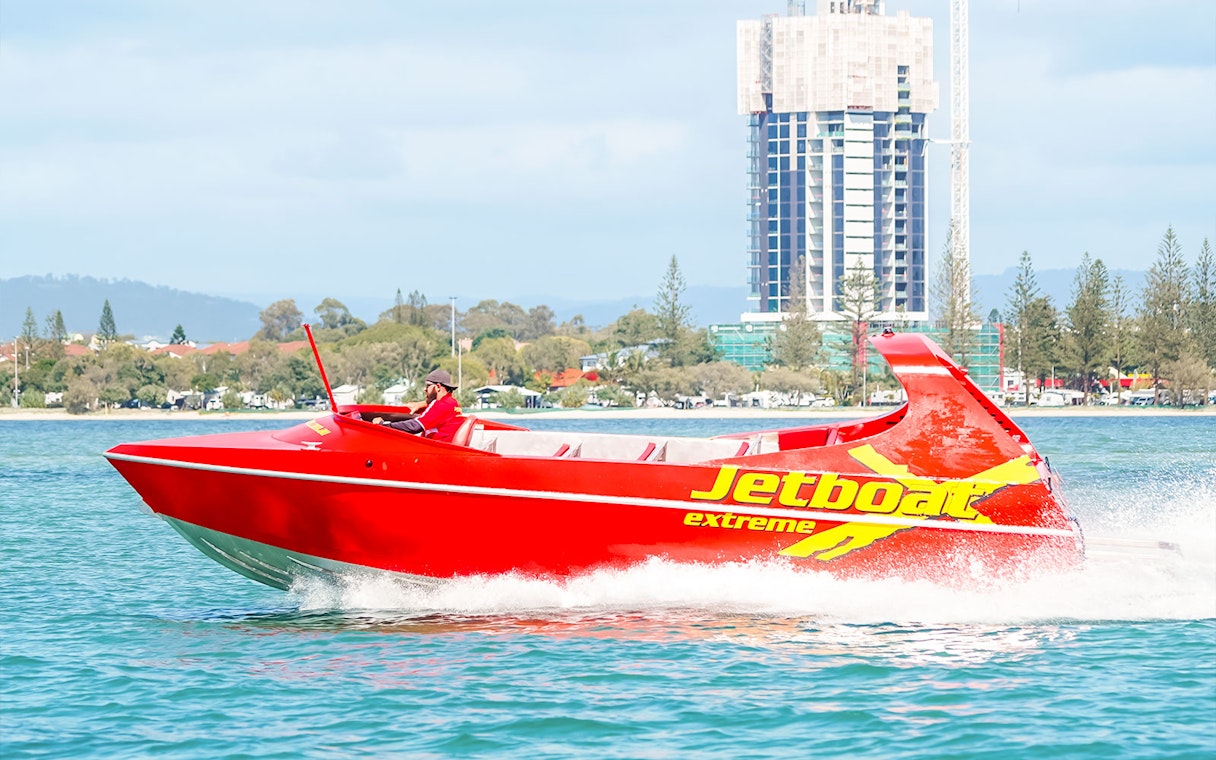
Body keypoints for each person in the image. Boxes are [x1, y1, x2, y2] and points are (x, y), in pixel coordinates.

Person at [374, 369, 464, 442]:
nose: (425, 389)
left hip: (435, 453)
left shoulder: (441, 404)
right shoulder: (452, 403)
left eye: (428, 386)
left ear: (438, 387)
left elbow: (415, 426)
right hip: (439, 449)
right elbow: (422, 417)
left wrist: (384, 426)